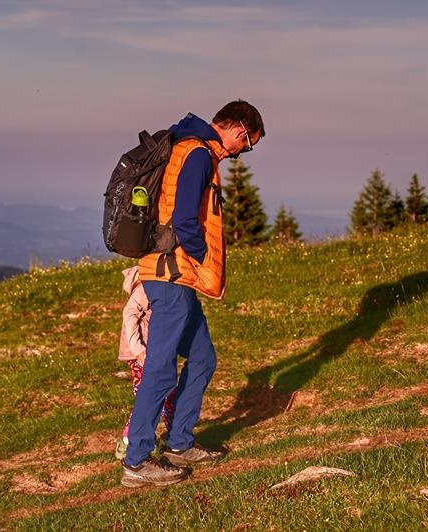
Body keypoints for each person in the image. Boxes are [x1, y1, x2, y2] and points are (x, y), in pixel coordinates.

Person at [121, 100, 265, 488]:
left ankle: (179, 443)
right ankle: (136, 461)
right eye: (248, 143)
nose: (243, 151)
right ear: (238, 130)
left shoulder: (191, 147)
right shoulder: (198, 154)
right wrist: (203, 260)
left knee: (202, 358)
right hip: (173, 273)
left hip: (175, 273)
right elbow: (185, 220)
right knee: (161, 367)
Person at [115, 265, 176, 460]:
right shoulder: (146, 286)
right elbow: (129, 314)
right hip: (140, 353)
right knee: (150, 394)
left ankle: (174, 434)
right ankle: (128, 441)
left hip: (151, 351)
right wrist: (139, 349)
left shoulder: (155, 282)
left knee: (164, 393)